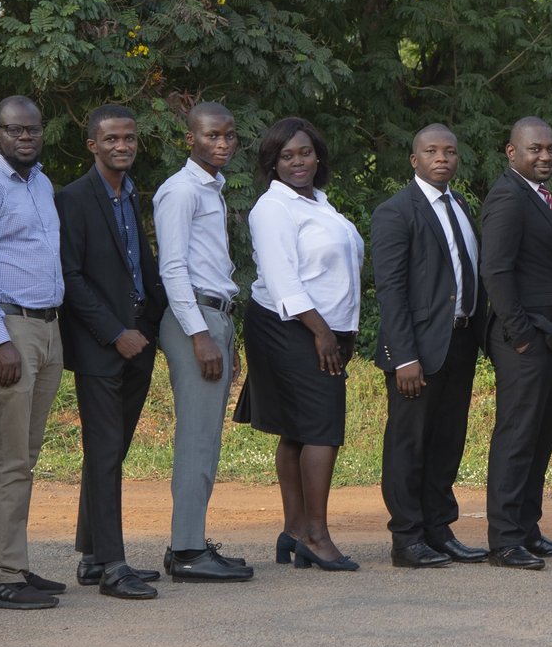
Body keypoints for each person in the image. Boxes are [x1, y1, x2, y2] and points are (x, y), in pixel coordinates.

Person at [235, 117, 365, 572]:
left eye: (305, 152)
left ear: (318, 156)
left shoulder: (320, 204)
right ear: (272, 162)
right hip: (289, 325)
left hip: (319, 327)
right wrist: (322, 332)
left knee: (296, 428)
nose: (297, 161)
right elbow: (282, 279)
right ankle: (316, 534)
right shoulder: (273, 209)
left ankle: (294, 531)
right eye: (286, 155)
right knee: (321, 428)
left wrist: (339, 328)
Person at [0, 95, 68, 611]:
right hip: (7, 328)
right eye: (14, 130)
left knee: (28, 453)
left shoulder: (40, 182)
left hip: (46, 327)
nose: (26, 137)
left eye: (33, 129)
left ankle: (14, 563)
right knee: (7, 456)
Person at [58, 103, 168, 599]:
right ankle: (113, 567)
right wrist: (113, 332)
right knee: (103, 453)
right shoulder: (74, 198)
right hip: (101, 347)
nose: (122, 146)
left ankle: (92, 556)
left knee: (113, 453)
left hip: (138, 342)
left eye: (129, 139)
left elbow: (138, 267)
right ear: (93, 145)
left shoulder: (130, 196)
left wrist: (145, 327)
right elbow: (71, 277)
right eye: (112, 139)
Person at [372, 123, 488, 569]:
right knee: (409, 443)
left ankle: (439, 530)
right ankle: (407, 537)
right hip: (416, 351)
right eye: (432, 151)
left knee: (447, 440)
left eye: (450, 151)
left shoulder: (459, 205)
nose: (442, 158)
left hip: (458, 342)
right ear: (414, 160)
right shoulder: (396, 211)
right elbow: (392, 290)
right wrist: (405, 357)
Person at [153, 102, 254, 583]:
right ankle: (188, 550)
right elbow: (172, 268)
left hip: (215, 317)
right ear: (190, 138)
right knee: (196, 440)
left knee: (207, 439)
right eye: (212, 135)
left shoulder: (212, 188)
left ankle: (190, 541)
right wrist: (199, 334)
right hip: (194, 317)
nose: (223, 143)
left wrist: (221, 335)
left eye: (229, 135)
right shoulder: (181, 191)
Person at [479, 117, 552, 569]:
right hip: (525, 339)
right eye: (535, 149)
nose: (545, 156)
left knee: (539, 437)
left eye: (551, 148)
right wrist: (521, 336)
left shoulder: (538, 197)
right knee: (517, 437)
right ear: (512, 152)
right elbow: (496, 271)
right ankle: (504, 539)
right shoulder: (507, 197)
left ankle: (527, 529)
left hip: (551, 337)